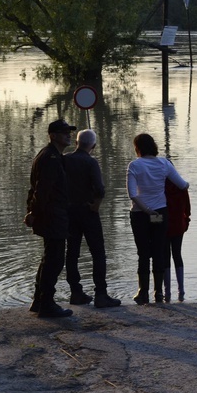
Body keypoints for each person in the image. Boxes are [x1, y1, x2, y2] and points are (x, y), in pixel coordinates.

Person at [126, 134, 189, 305]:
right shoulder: (164, 164)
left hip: (140, 214)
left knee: (143, 253)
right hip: (160, 213)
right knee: (159, 251)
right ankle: (159, 293)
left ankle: (143, 293)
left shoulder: (134, 165)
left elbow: (132, 194)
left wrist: (146, 210)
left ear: (137, 148)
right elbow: (182, 185)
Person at [24, 119, 76, 318]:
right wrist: (33, 213)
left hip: (51, 214)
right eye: (64, 133)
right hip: (52, 215)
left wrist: (32, 211)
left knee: (49, 258)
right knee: (54, 260)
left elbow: (36, 189)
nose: (68, 135)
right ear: (53, 135)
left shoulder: (50, 155)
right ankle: (46, 304)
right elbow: (42, 190)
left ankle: (39, 301)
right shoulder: (50, 158)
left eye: (69, 132)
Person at [64, 129, 121, 309]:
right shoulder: (91, 162)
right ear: (93, 146)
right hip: (88, 212)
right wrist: (96, 205)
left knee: (71, 253)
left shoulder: (64, 159)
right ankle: (101, 294)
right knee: (98, 253)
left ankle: (75, 292)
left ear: (76, 143)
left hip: (69, 212)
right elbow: (100, 189)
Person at [164, 178, 191, 302]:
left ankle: (167, 291)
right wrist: (186, 222)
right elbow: (188, 209)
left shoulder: (160, 187)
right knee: (177, 254)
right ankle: (181, 290)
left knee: (165, 256)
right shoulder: (182, 188)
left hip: (164, 226)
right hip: (178, 226)